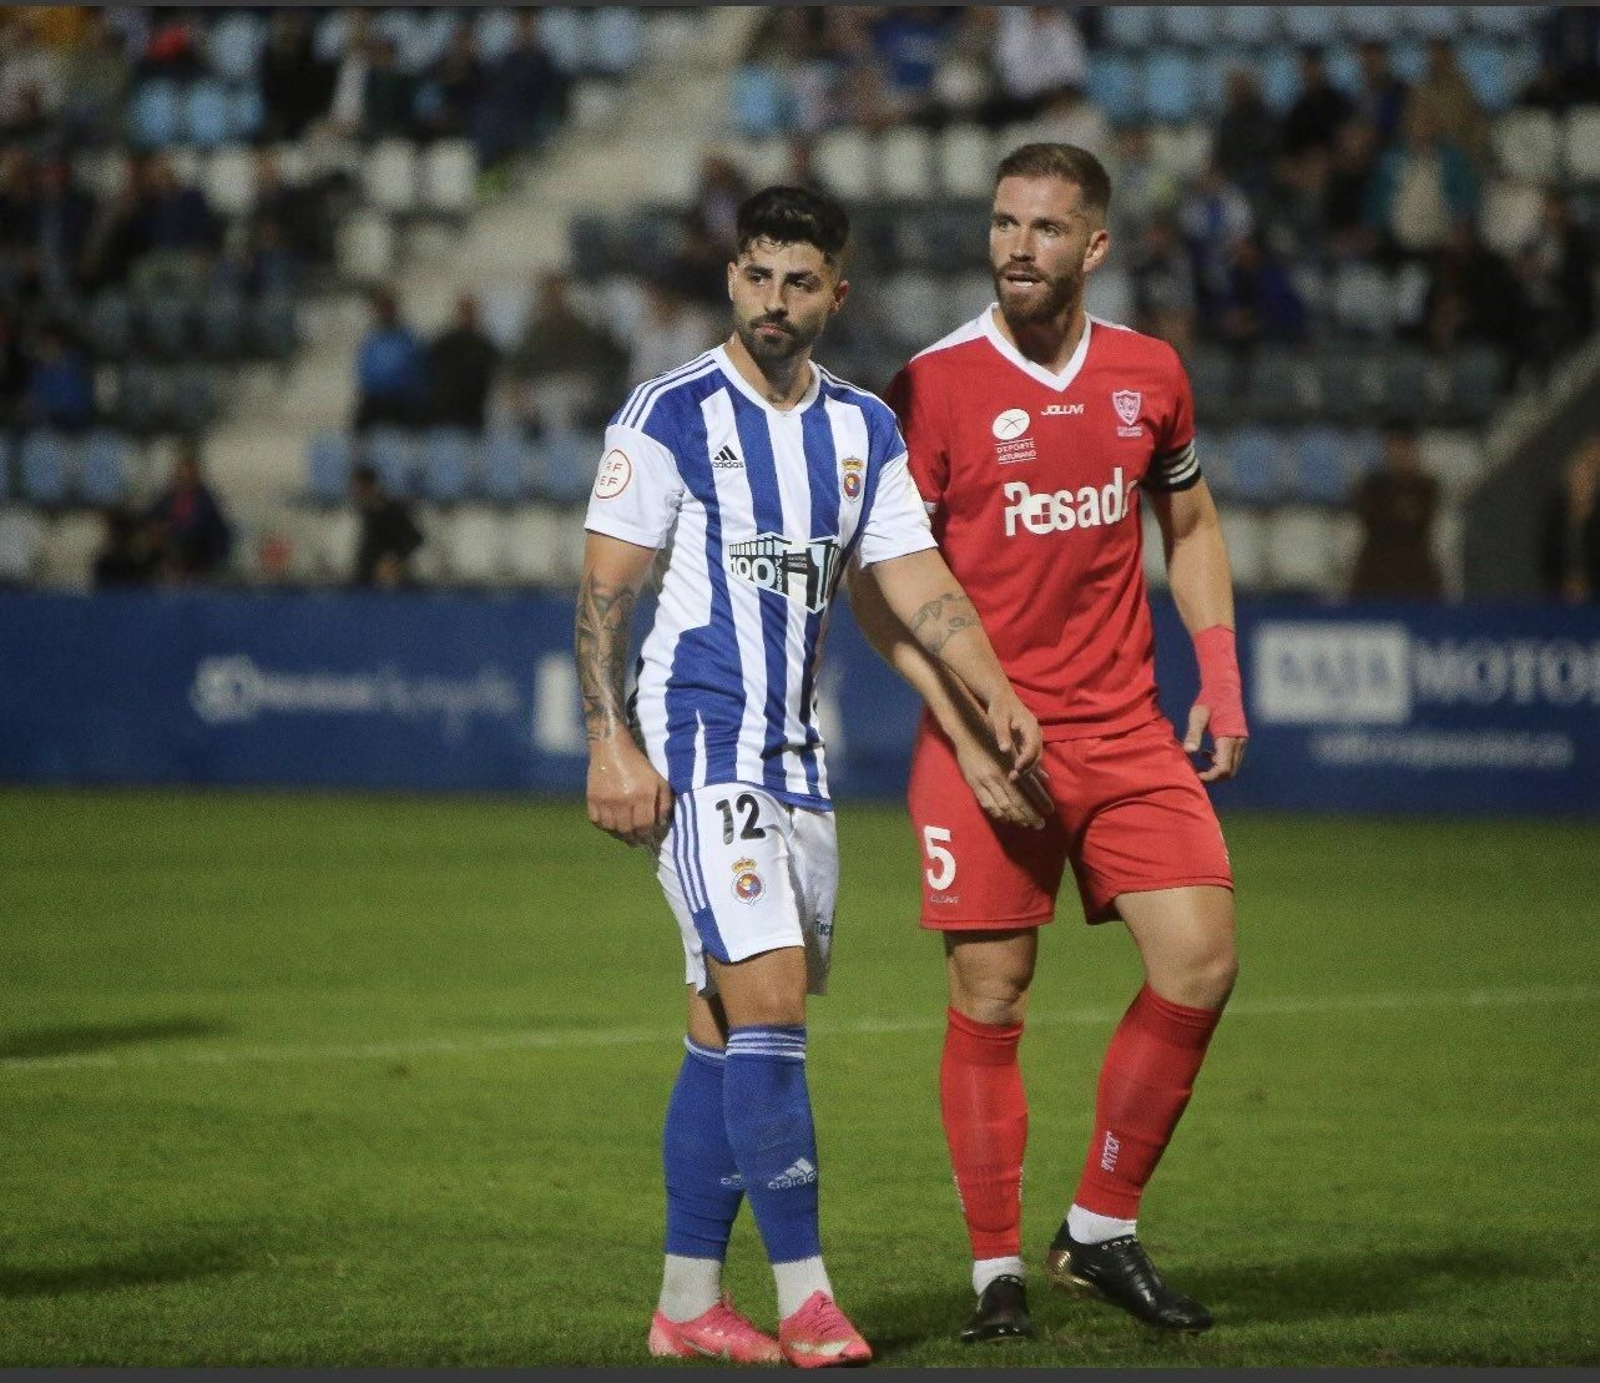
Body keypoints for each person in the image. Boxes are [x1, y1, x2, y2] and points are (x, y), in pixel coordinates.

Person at [575, 185, 1042, 1367]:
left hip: (799, 762)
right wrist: (608, 739)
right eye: (755, 276)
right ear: (730, 277)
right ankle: (808, 1298)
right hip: (698, 743)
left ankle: (685, 1306)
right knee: (771, 1001)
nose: (773, 302)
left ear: (836, 291)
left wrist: (994, 692)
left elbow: (921, 584)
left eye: (799, 282)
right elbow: (605, 590)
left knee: (724, 1032)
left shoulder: (862, 431)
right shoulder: (669, 411)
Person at [853, 143, 1248, 1344]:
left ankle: (1096, 1229)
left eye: (1042, 227)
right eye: (1002, 223)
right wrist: (964, 729)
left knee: (1200, 960)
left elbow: (1188, 521)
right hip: (986, 744)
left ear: (1093, 247)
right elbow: (877, 581)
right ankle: (993, 1277)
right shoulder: (929, 386)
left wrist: (1219, 680)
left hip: (1124, 728)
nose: (1016, 245)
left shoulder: (1148, 374)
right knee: (991, 995)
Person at [1349, 424, 1441, 598]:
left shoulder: (1426, 486)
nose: (1399, 456)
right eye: (1394, 450)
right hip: (1377, 569)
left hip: (1415, 568)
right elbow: (1371, 519)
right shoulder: (1374, 486)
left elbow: (1421, 521)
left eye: (1404, 449)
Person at [146, 445, 232, 580]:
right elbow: (152, 516)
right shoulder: (168, 497)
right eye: (180, 474)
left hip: (198, 550)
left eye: (187, 473)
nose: (183, 478)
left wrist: (171, 533)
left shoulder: (205, 499)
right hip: (169, 548)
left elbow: (208, 528)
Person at [1538, 434, 1600, 603]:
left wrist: (1588, 585)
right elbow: (1547, 556)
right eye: (1579, 473)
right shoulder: (1556, 514)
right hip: (1560, 598)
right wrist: (1564, 584)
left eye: (1589, 475)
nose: (1582, 479)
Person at [428, 292, 500, 431]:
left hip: (474, 411)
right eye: (464, 311)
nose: (468, 316)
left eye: (471, 311)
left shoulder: (485, 346)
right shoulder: (443, 344)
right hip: (446, 410)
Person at [350, 462, 423, 587]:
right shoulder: (367, 512)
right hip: (367, 578)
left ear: (367, 486)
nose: (354, 492)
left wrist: (395, 559)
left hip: (390, 581)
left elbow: (415, 538)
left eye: (357, 488)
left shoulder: (390, 510)